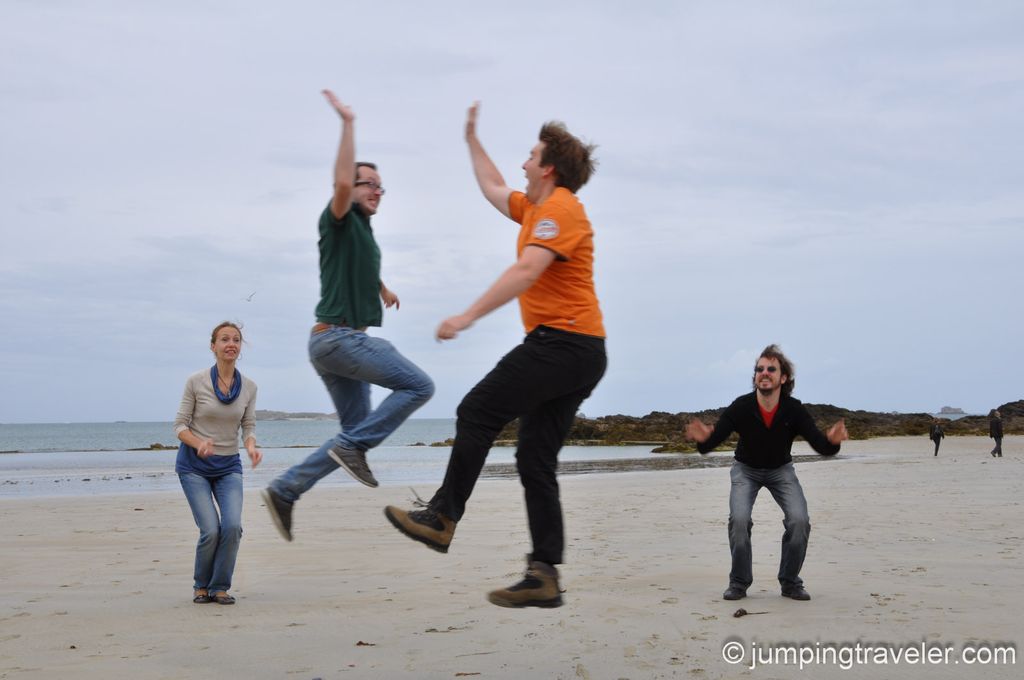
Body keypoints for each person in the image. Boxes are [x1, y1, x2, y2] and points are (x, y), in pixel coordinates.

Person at [384, 103, 607, 609]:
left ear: (549, 168)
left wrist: (467, 316)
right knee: (533, 457)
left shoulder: (561, 209)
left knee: (477, 410)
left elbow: (528, 271)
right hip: (579, 349)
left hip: (564, 343)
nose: (523, 165)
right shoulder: (535, 208)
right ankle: (544, 573)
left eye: (530, 157)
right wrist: (470, 139)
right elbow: (490, 184)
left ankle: (442, 517)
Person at [262, 91, 434, 542]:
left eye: (381, 185)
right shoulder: (337, 217)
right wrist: (348, 123)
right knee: (419, 385)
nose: (377, 190)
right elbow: (341, 185)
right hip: (339, 340)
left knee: (354, 433)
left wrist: (383, 287)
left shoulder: (364, 233)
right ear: (351, 188)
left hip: (330, 344)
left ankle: (286, 489)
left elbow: (362, 265)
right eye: (368, 183)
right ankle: (351, 448)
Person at [685, 345, 848, 602]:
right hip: (745, 470)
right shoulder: (741, 406)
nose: (764, 373)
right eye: (759, 369)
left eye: (771, 369)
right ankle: (738, 582)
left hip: (781, 471)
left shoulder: (793, 410)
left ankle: (790, 582)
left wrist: (833, 441)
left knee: (799, 520)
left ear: (783, 378)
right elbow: (710, 444)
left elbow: (821, 446)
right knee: (738, 520)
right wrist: (703, 439)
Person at [174, 321, 262, 606]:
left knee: (232, 526)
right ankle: (202, 586)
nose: (231, 344)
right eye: (224, 339)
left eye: (235, 339)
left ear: (240, 348)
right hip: (194, 467)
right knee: (211, 529)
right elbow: (179, 426)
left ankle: (220, 587)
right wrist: (198, 443)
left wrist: (250, 445)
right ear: (213, 346)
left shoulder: (249, 387)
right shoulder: (195, 381)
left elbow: (248, 425)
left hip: (228, 467)